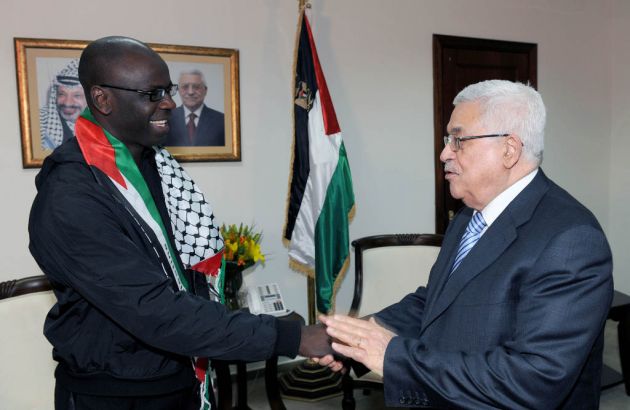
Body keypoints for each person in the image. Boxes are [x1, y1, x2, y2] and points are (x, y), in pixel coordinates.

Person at [28, 36, 333, 410]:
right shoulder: (71, 198)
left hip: (180, 373)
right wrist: (292, 337)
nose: (170, 103)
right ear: (102, 100)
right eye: (152, 94)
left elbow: (184, 280)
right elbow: (154, 309)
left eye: (168, 90)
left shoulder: (155, 167)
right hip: (116, 395)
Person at [321, 80, 613, 409]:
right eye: (448, 140)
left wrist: (392, 356)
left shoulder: (571, 240)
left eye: (458, 140)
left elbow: (533, 380)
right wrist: (360, 334)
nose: (445, 153)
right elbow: (435, 302)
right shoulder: (468, 216)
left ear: (509, 150)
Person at [164, 69, 225, 147]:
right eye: (185, 87)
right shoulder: (166, 118)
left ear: (205, 90)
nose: (190, 92)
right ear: (179, 90)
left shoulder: (222, 120)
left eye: (196, 87)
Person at [39, 59, 87, 150]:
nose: (67, 102)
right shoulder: (41, 121)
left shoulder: (106, 128)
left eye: (77, 95)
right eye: (62, 94)